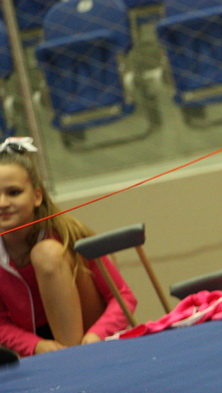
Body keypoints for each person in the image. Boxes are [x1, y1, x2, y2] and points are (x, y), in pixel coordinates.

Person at [0, 137, 136, 357]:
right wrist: (35, 345)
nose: (3, 203)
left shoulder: (67, 233)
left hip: (88, 339)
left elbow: (123, 298)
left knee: (46, 253)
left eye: (14, 192)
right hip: (41, 348)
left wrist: (97, 334)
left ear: (37, 196)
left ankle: (73, 361)